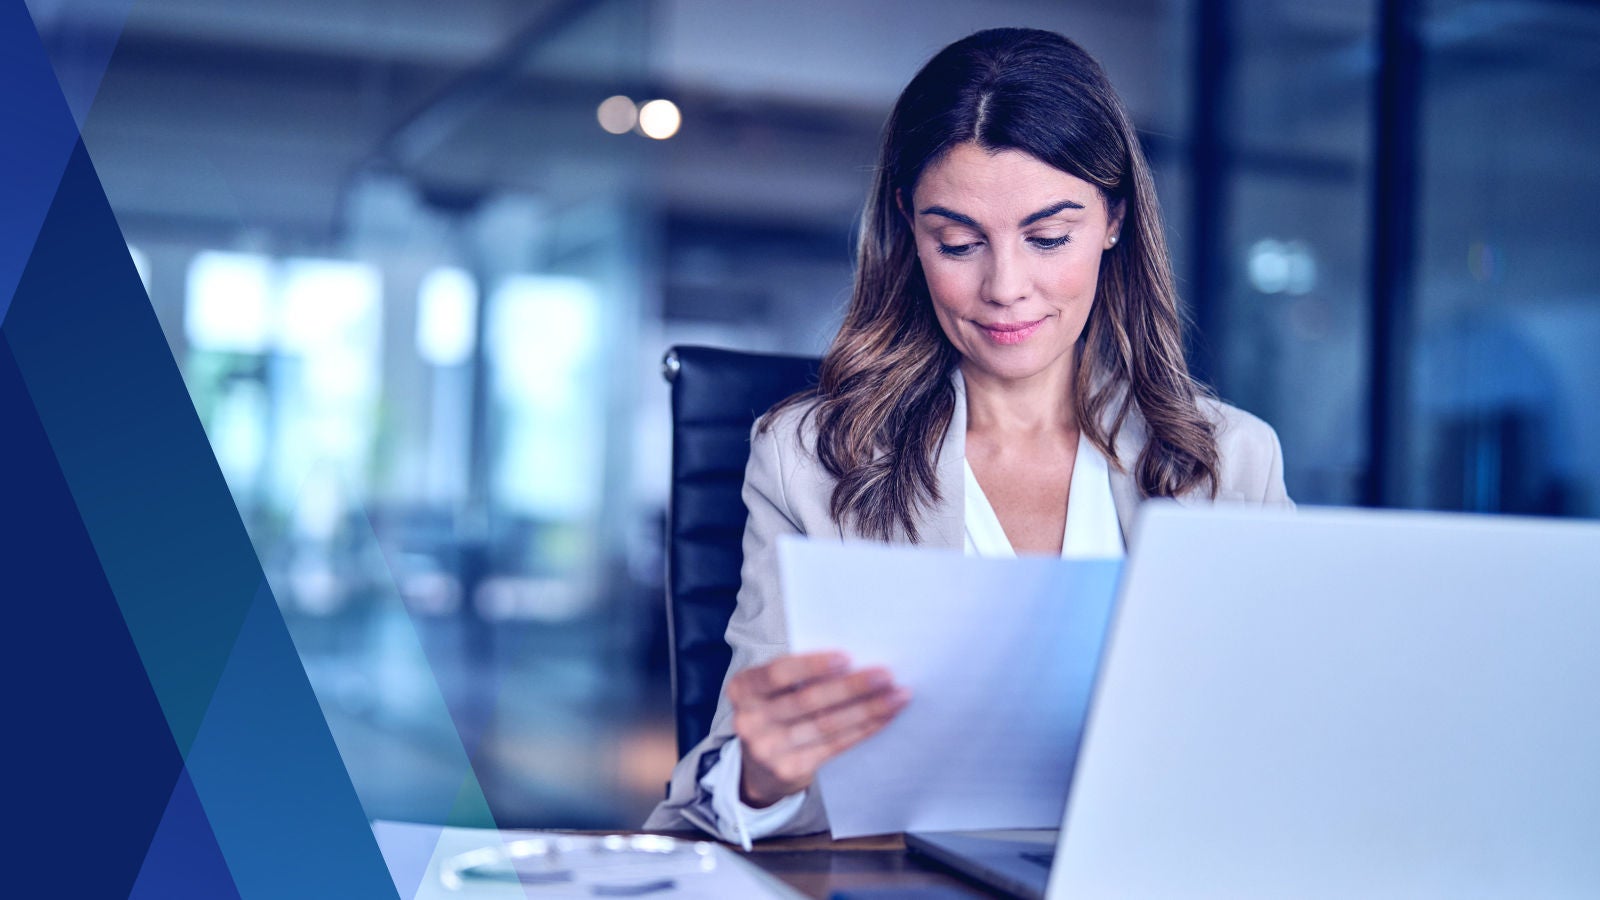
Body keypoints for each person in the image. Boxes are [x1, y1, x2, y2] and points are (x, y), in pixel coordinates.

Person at [645, 27, 1292, 844]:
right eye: (957, 243)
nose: (1005, 288)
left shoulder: (1229, 462)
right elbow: (716, 797)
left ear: (1115, 221)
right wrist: (765, 774)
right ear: (910, 234)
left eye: (1048, 238)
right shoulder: (811, 459)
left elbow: (1278, 758)